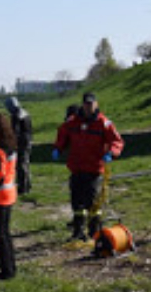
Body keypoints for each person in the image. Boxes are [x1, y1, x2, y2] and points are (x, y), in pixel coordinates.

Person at [53, 92, 125, 241]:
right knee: (77, 203)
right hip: (77, 168)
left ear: (96, 104)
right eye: (86, 104)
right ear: (82, 105)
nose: (88, 107)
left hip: (94, 169)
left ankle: (94, 233)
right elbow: (62, 135)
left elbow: (117, 141)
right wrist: (58, 149)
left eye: (91, 104)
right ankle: (78, 232)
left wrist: (112, 153)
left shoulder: (104, 123)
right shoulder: (73, 122)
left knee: (93, 204)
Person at [0, 127, 18, 281]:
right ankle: (10, 267)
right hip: (8, 192)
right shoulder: (11, 148)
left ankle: (6, 269)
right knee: (5, 234)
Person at [5, 97, 33, 195]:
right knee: (25, 163)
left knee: (21, 165)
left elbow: (15, 132)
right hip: (28, 140)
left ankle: (23, 187)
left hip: (21, 142)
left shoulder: (16, 116)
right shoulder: (25, 113)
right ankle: (27, 185)